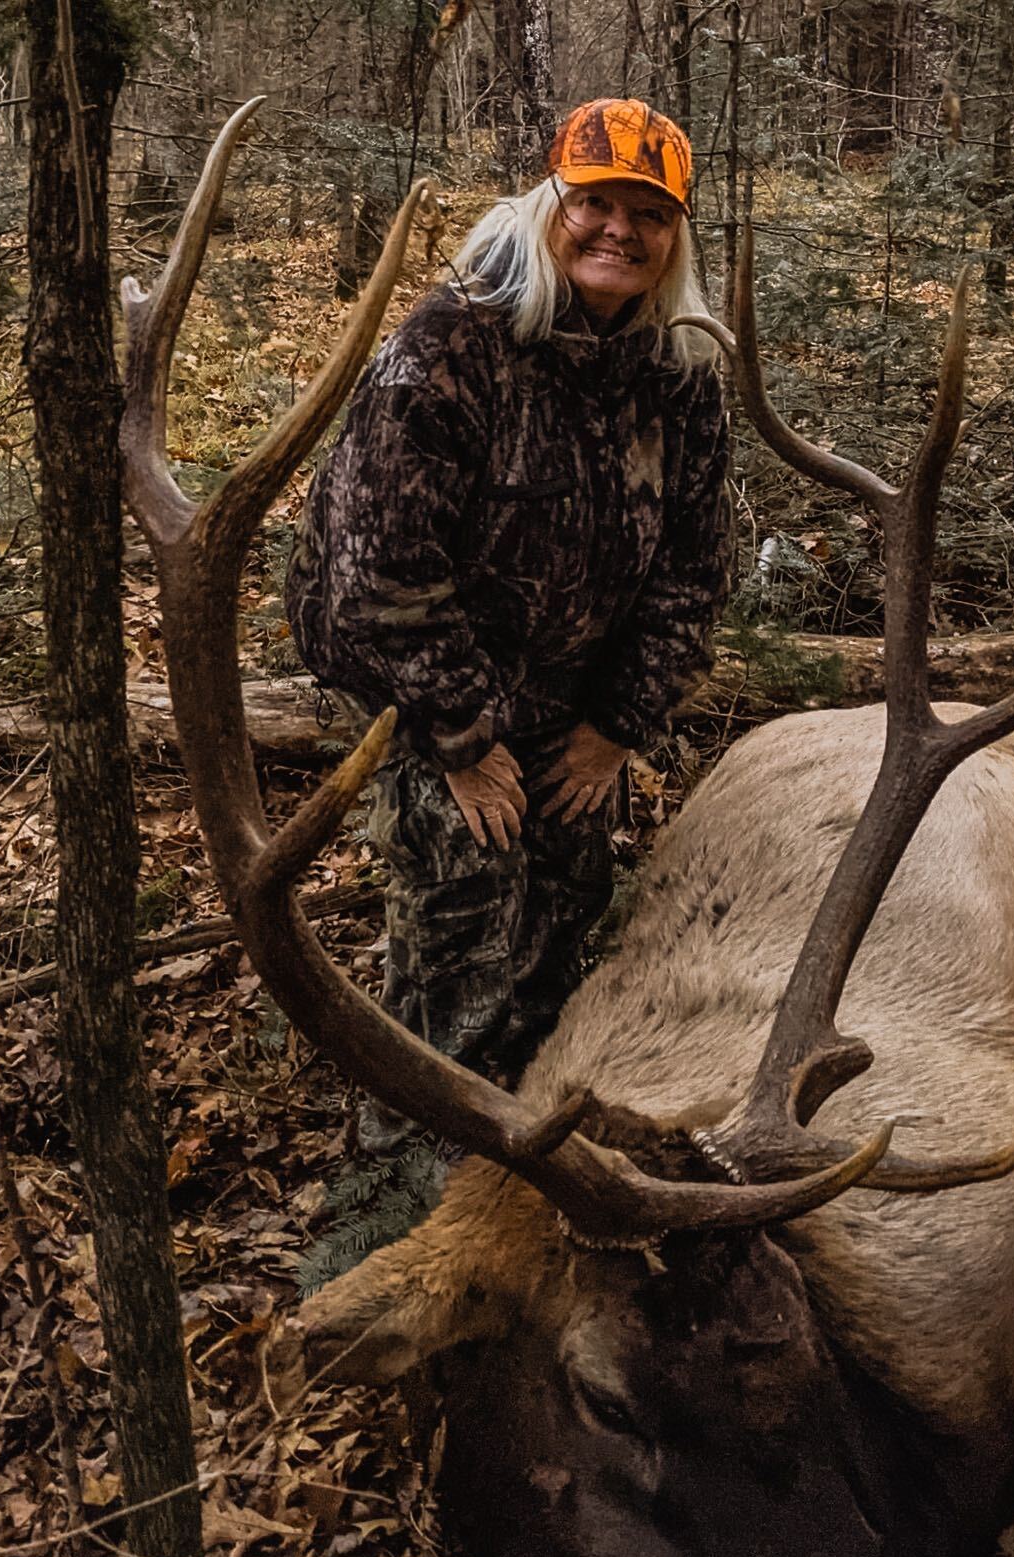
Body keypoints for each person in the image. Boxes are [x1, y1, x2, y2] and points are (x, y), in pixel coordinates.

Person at [283, 98, 733, 1152]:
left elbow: (693, 570)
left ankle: (534, 1150)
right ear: (549, 205)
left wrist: (618, 725)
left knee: (565, 904)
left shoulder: (678, 372)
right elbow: (378, 574)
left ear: (674, 237)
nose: (619, 231)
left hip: (570, 693)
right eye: (594, 204)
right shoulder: (451, 344)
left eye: (648, 213)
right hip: (420, 683)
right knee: (464, 901)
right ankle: (404, 1162)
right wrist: (462, 740)